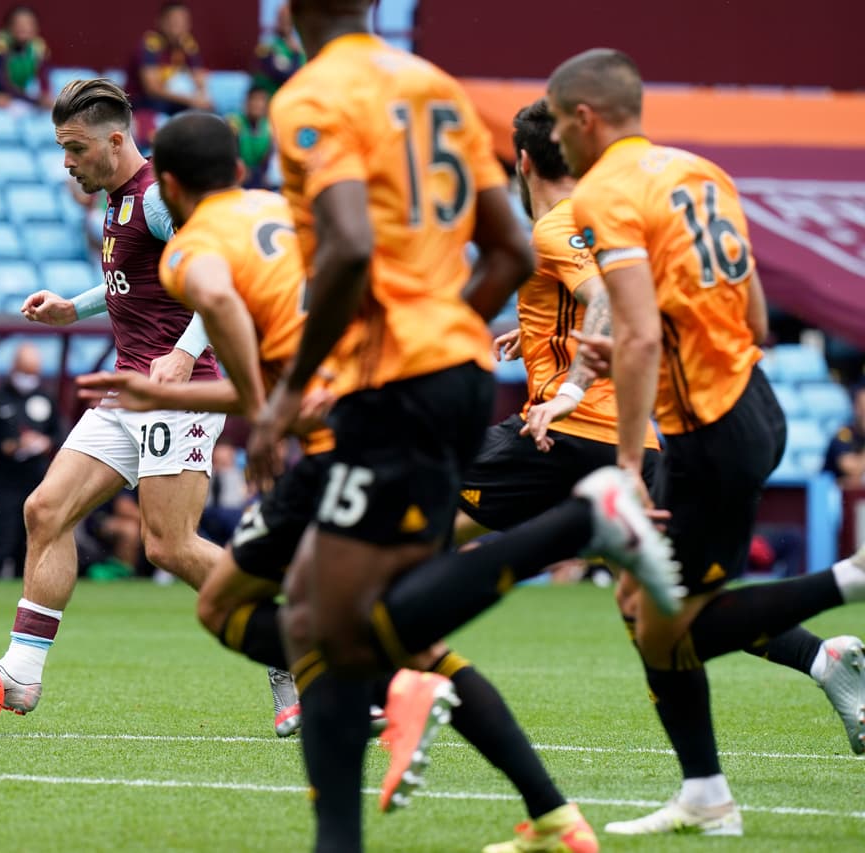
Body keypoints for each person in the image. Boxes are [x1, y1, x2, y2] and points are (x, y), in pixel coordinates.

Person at [77, 111, 601, 839]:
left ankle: (588, 521)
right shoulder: (287, 214)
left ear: (166, 183)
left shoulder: (190, 248)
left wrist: (260, 411)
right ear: (238, 169)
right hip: (420, 386)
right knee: (353, 626)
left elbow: (234, 323)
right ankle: (551, 812)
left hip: (364, 427)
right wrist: (177, 395)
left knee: (246, 611)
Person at [245, 5, 681, 850]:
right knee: (335, 610)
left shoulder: (310, 95)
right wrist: (450, 332)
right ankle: (531, 800)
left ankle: (582, 525)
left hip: (394, 385)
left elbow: (344, 246)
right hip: (458, 374)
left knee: (328, 615)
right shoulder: (434, 86)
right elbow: (508, 253)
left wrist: (293, 386)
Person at [548, 47, 865, 837]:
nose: (556, 139)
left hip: (708, 434)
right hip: (750, 405)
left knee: (665, 627)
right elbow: (754, 319)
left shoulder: (602, 194)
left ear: (584, 118)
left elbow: (641, 336)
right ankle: (705, 789)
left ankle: (847, 591)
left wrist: (627, 465)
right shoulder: (700, 171)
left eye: (558, 123)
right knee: (642, 606)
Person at [0, 78, 227, 717]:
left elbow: (215, 276)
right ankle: (20, 672)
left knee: (167, 544)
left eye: (74, 148)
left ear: (116, 140)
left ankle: (293, 649)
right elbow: (135, 279)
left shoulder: (156, 197)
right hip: (130, 388)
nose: (66, 162)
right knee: (45, 511)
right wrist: (77, 305)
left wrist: (185, 353)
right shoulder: (115, 195)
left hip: (182, 391)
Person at [455, 97, 661, 544]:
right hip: (633, 440)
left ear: (523, 161)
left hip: (567, 431)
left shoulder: (554, 227)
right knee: (659, 606)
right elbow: (623, 298)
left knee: (421, 504)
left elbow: (605, 298)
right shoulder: (603, 219)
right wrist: (541, 331)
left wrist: (569, 391)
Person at [0, 342, 61, 579]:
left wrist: (44, 442)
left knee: (31, 538)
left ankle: (28, 583)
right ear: (14, 368)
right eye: (25, 372)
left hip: (37, 479)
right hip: (6, 480)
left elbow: (59, 434)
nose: (29, 378)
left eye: (33, 373)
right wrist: (12, 446)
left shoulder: (46, 399)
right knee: (4, 537)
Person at [126, 2, 212, 146]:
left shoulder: (187, 44)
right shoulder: (150, 45)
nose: (178, 27)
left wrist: (203, 97)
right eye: (174, 22)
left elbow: (200, 79)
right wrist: (191, 100)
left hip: (171, 105)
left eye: (183, 22)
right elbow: (152, 89)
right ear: (161, 22)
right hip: (143, 106)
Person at [226, 86, 274, 190]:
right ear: (246, 102)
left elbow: (267, 159)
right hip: (236, 174)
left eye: (261, 100)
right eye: (254, 99)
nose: (257, 104)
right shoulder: (234, 122)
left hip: (258, 176)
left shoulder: (270, 127)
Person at [252, 3, 304, 94]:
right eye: (282, 18)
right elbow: (282, 75)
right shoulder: (267, 45)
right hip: (274, 98)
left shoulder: (302, 46)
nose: (285, 22)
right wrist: (296, 56)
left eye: (288, 18)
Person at [824, 382, 865, 487]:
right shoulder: (844, 435)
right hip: (832, 498)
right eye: (863, 410)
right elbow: (853, 470)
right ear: (855, 408)